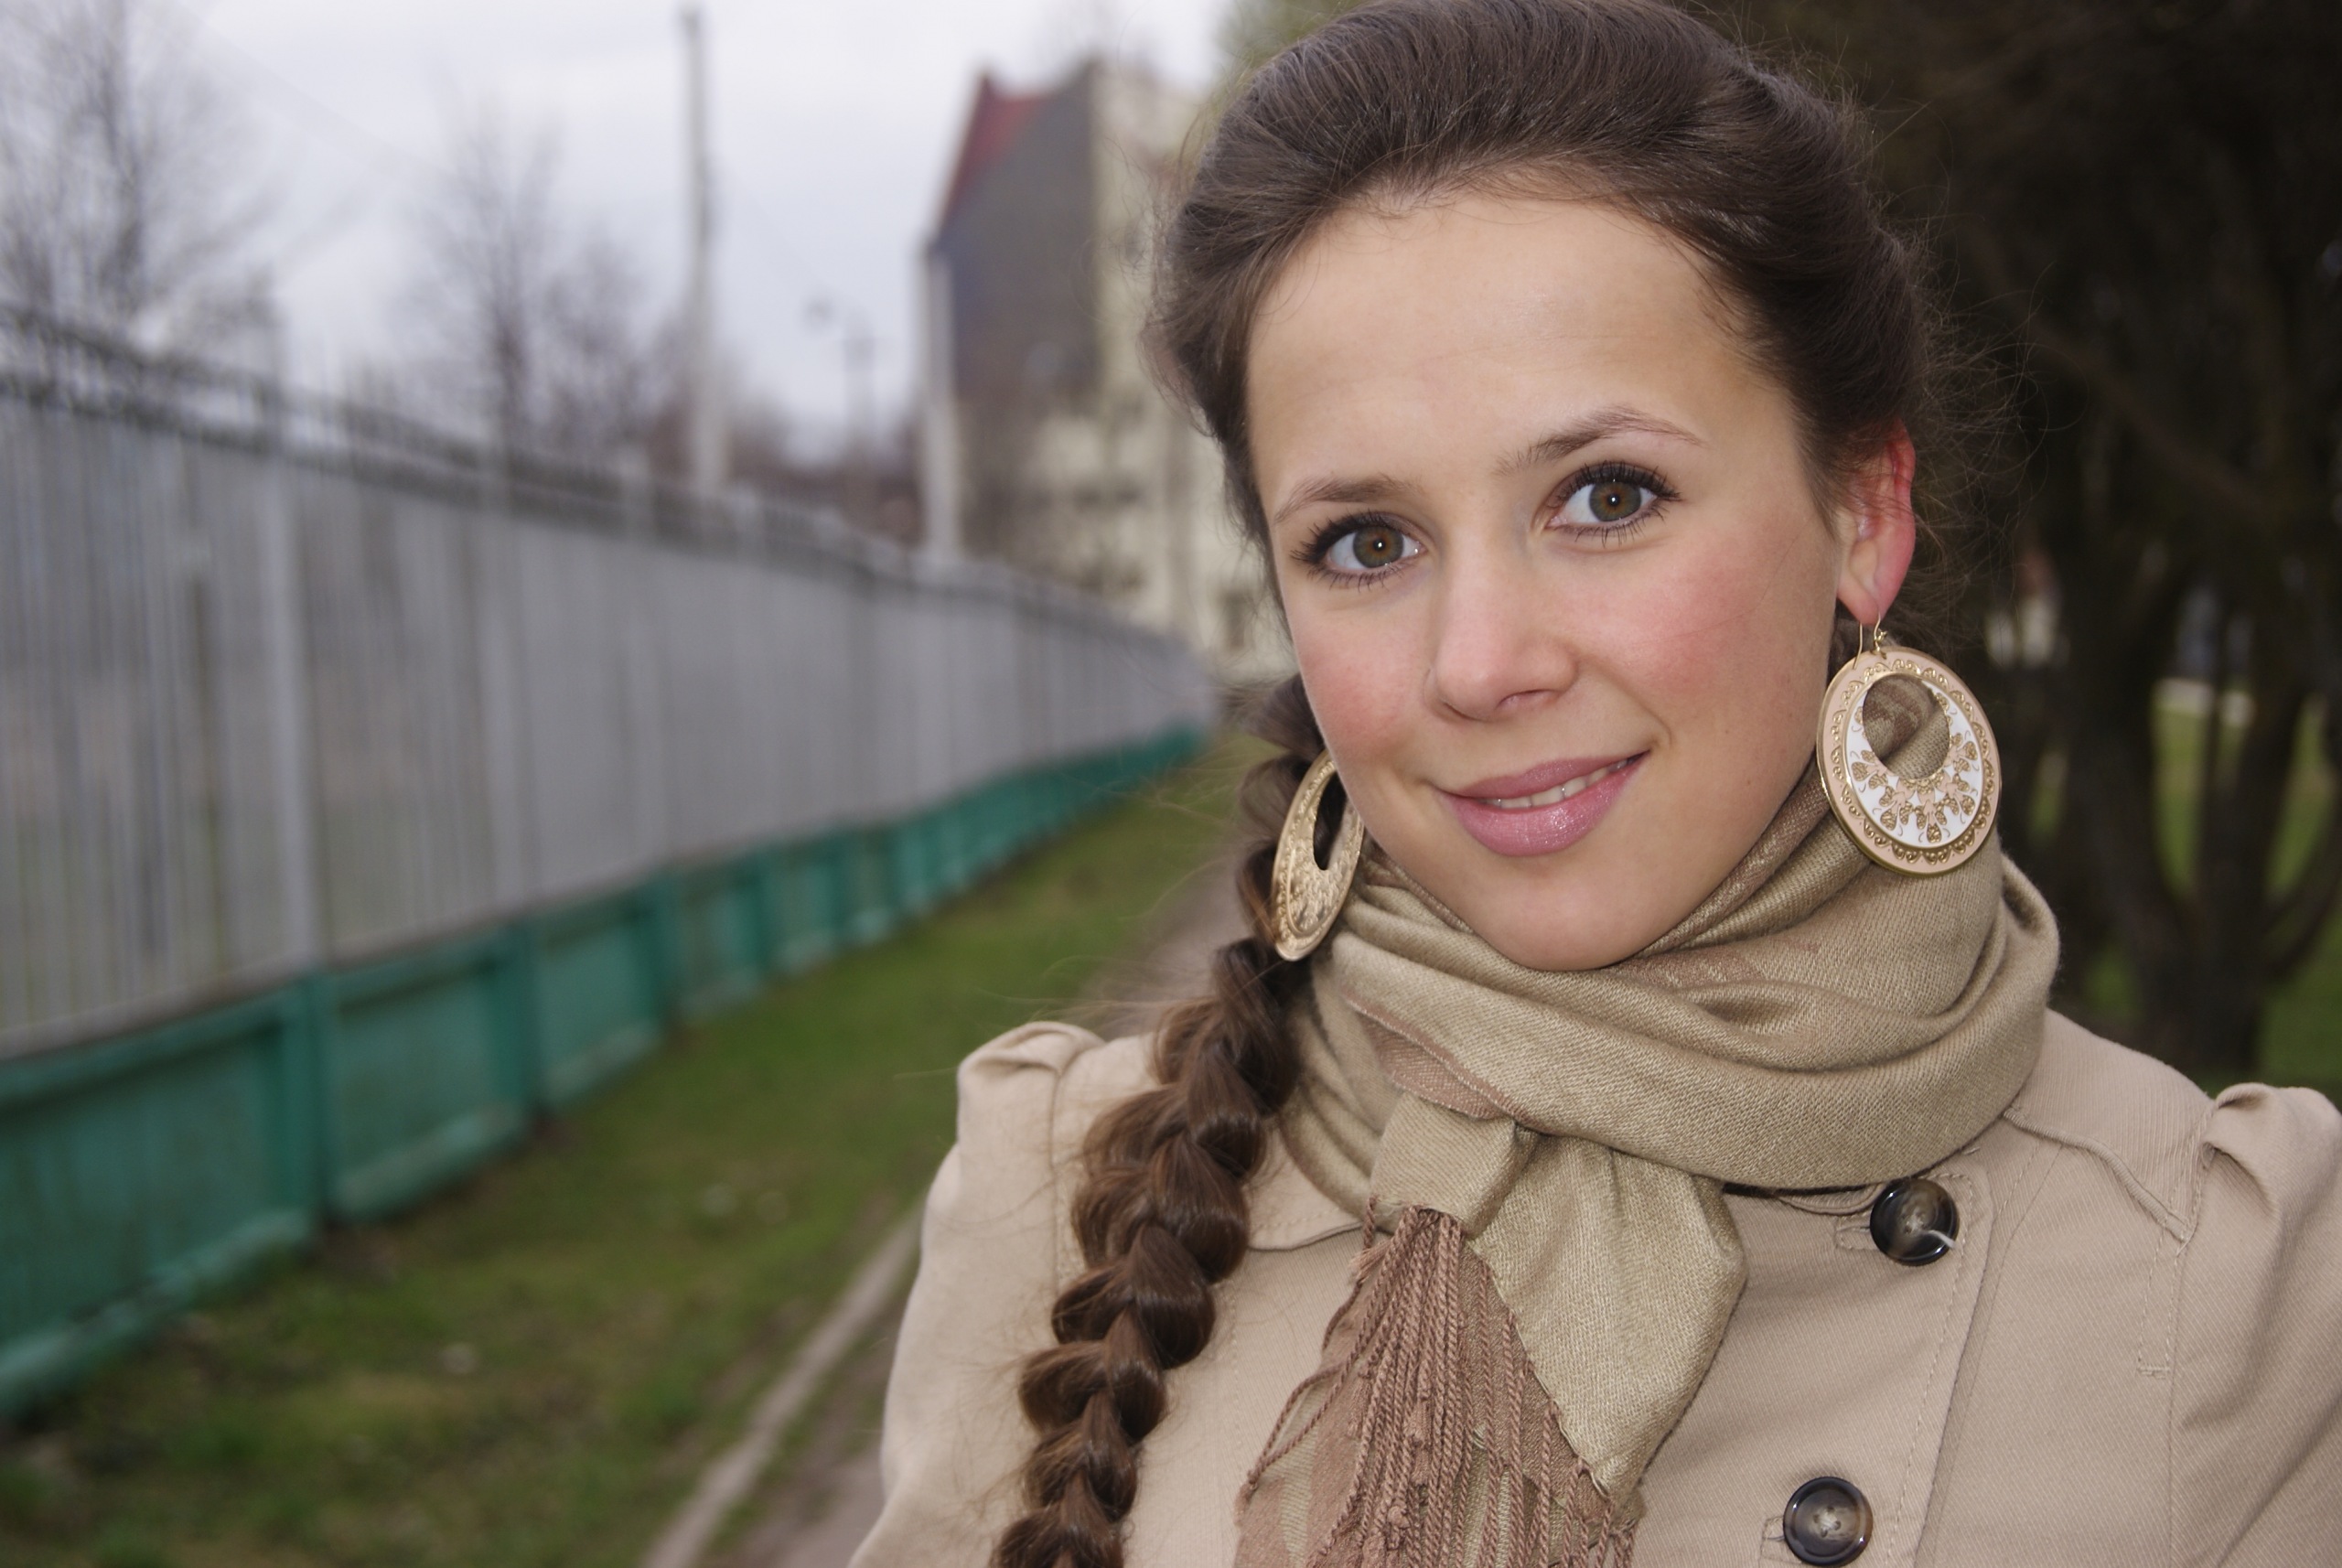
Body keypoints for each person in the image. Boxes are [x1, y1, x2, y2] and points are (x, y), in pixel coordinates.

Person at [852, 2, 2342, 1564]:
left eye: (1606, 495)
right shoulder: (1060, 1204)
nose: (1481, 662)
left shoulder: (2229, 1289)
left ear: (1862, 510)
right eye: (1367, 541)